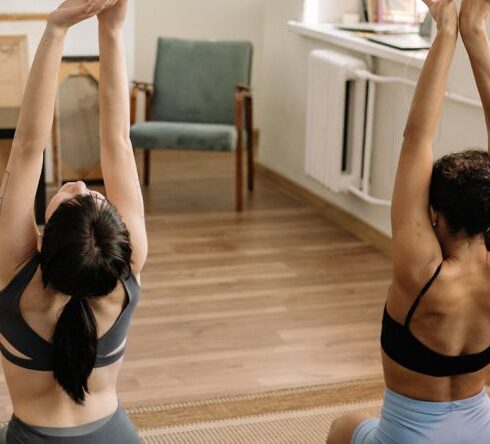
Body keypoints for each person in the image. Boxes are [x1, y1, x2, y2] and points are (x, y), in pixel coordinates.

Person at [327, 0, 490, 443]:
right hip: (481, 434)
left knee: (343, 427)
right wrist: (476, 32)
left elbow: (417, 136)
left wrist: (446, 33)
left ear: (434, 215)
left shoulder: (422, 273)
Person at [0, 0, 146, 442]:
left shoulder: (14, 274)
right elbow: (118, 142)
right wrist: (114, 31)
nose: (82, 185)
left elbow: (27, 146)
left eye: (74, 197)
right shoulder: (126, 270)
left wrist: (56, 29)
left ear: (42, 241)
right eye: (95, 196)